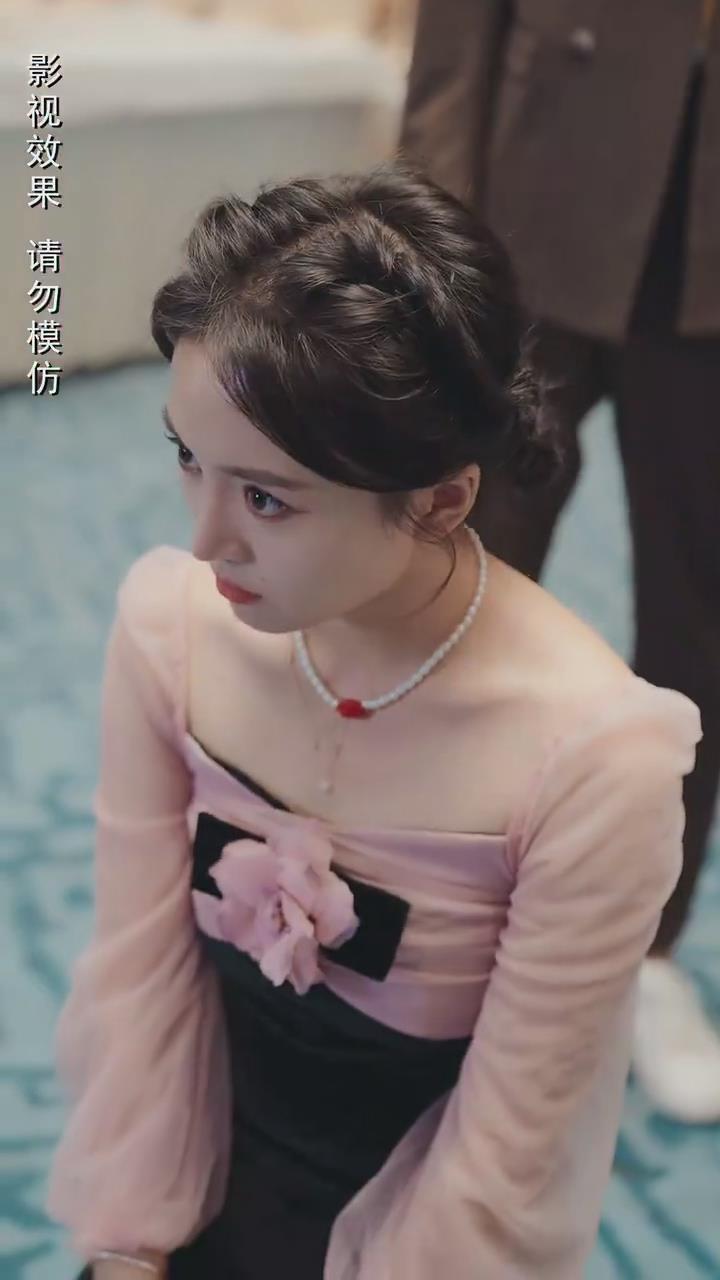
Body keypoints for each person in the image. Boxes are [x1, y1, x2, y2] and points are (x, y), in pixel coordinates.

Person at [47, 167, 701, 1280]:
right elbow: (140, 976)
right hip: (193, 1173)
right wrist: (130, 1246)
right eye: (188, 460)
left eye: (266, 498)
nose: (205, 541)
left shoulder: (593, 758)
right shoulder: (172, 629)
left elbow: (510, 1151)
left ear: (441, 500)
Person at [400, 0, 720, 1123]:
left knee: (701, 624)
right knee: (455, 581)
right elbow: (455, 40)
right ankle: (424, 908)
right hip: (537, 202)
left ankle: (643, 948)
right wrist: (427, 237)